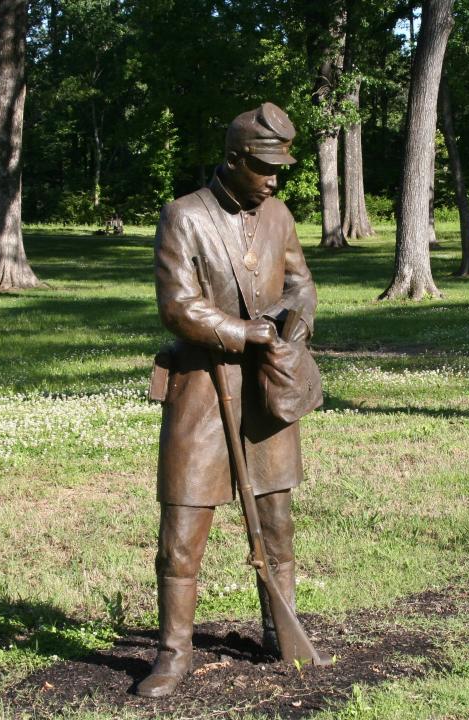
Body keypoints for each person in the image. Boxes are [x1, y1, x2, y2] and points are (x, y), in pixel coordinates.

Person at [137, 102, 317, 698]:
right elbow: (178, 305)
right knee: (183, 527)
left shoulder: (279, 215)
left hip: (264, 389)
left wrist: (292, 326)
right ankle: (173, 652)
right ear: (235, 160)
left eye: (280, 169)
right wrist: (242, 332)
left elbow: (300, 283)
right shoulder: (183, 216)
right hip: (202, 390)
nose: (274, 180)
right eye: (264, 168)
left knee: (277, 521)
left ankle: (279, 631)